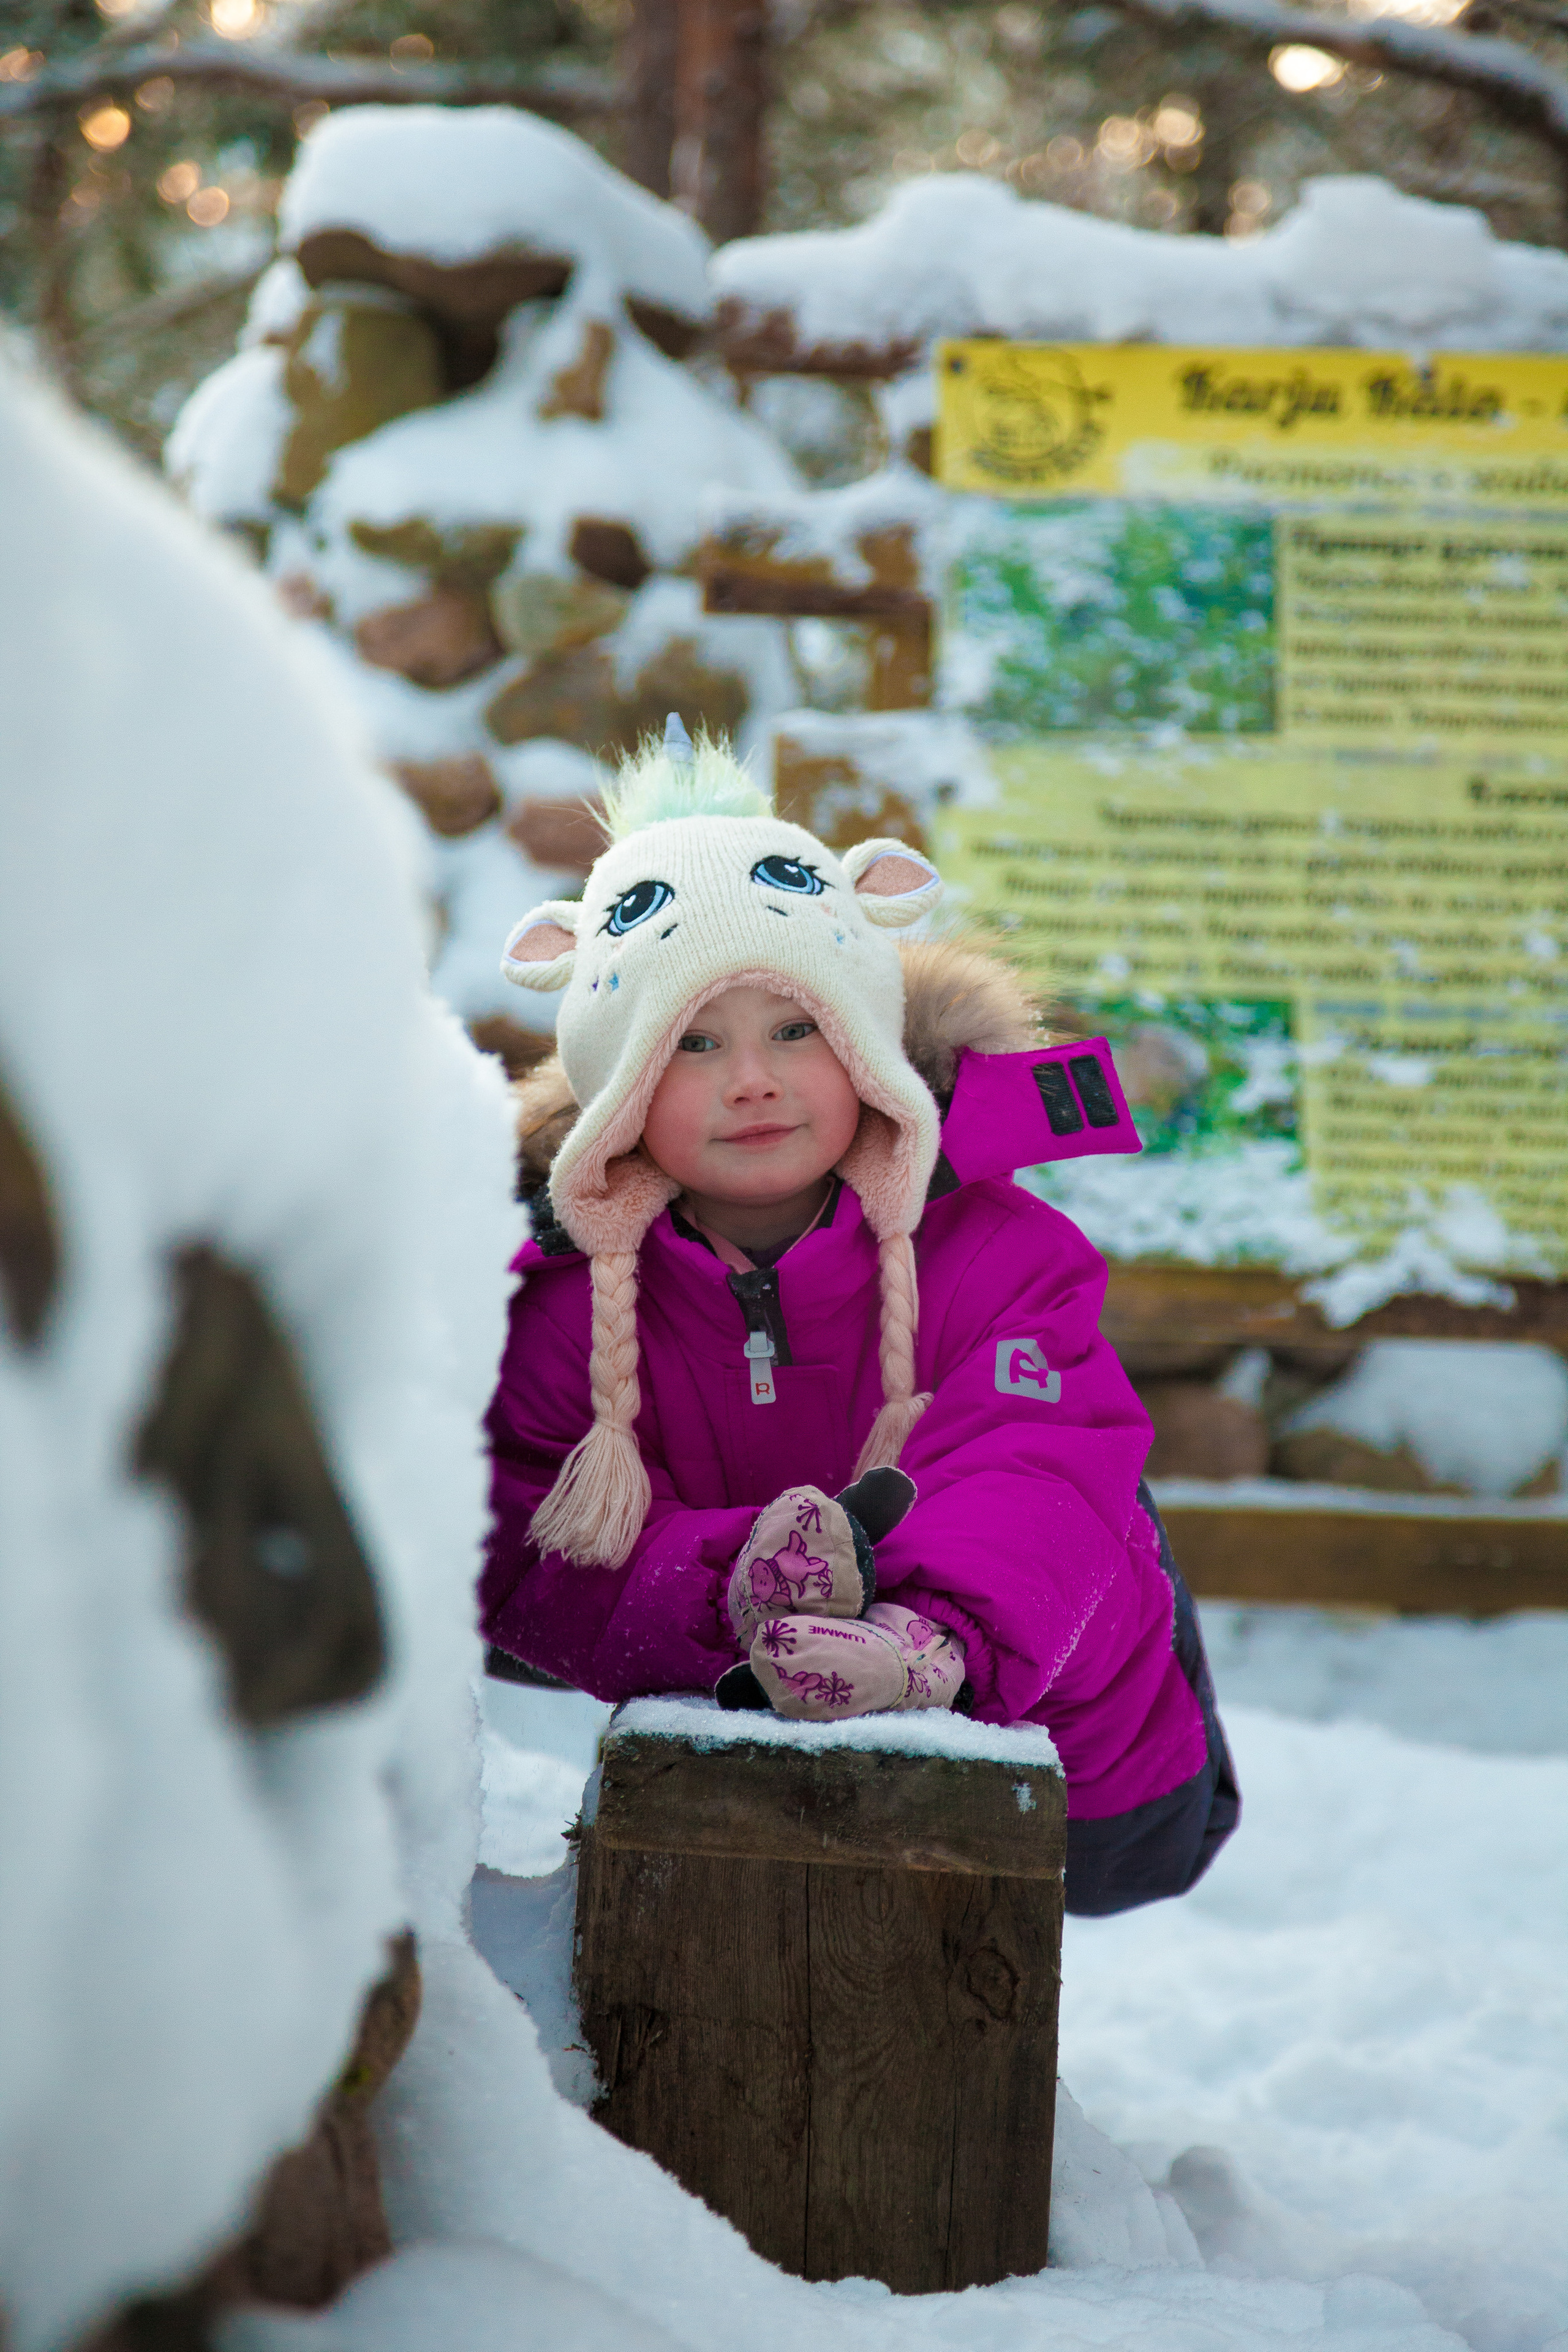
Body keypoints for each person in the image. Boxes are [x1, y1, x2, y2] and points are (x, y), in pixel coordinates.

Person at [480, 722, 1238, 1915]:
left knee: (1079, 1493)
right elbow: (527, 1539)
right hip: (744, 1740)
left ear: (866, 1051)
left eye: (797, 1030)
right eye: (692, 1044)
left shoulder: (999, 1250)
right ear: (619, 1087)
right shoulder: (565, 1303)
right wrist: (734, 1588)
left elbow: (1038, 1466)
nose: (753, 1080)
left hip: (1081, 1777)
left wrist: (919, 1641)